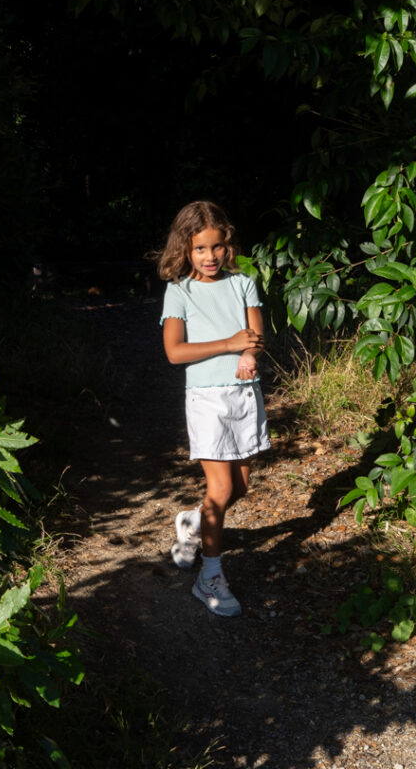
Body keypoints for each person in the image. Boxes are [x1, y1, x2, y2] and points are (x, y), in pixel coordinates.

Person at [157, 200, 270, 617]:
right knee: (220, 490)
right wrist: (228, 344)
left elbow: (254, 335)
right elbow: (174, 352)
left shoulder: (243, 283)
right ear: (185, 249)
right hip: (206, 398)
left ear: (228, 245)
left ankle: (192, 522)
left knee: (238, 488)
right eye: (200, 249)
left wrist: (250, 355)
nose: (210, 257)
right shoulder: (179, 291)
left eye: (217, 247)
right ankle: (210, 576)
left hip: (244, 394)